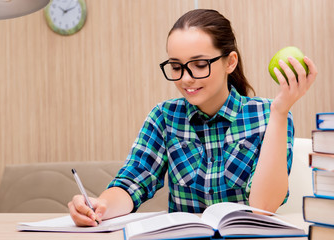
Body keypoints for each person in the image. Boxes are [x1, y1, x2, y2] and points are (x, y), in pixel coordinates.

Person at [68, 9, 317, 226]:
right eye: (176, 67)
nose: (186, 78)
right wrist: (100, 206)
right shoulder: (164, 117)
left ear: (230, 62)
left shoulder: (268, 115)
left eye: (199, 64)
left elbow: (263, 206)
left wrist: (280, 111)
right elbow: (134, 181)